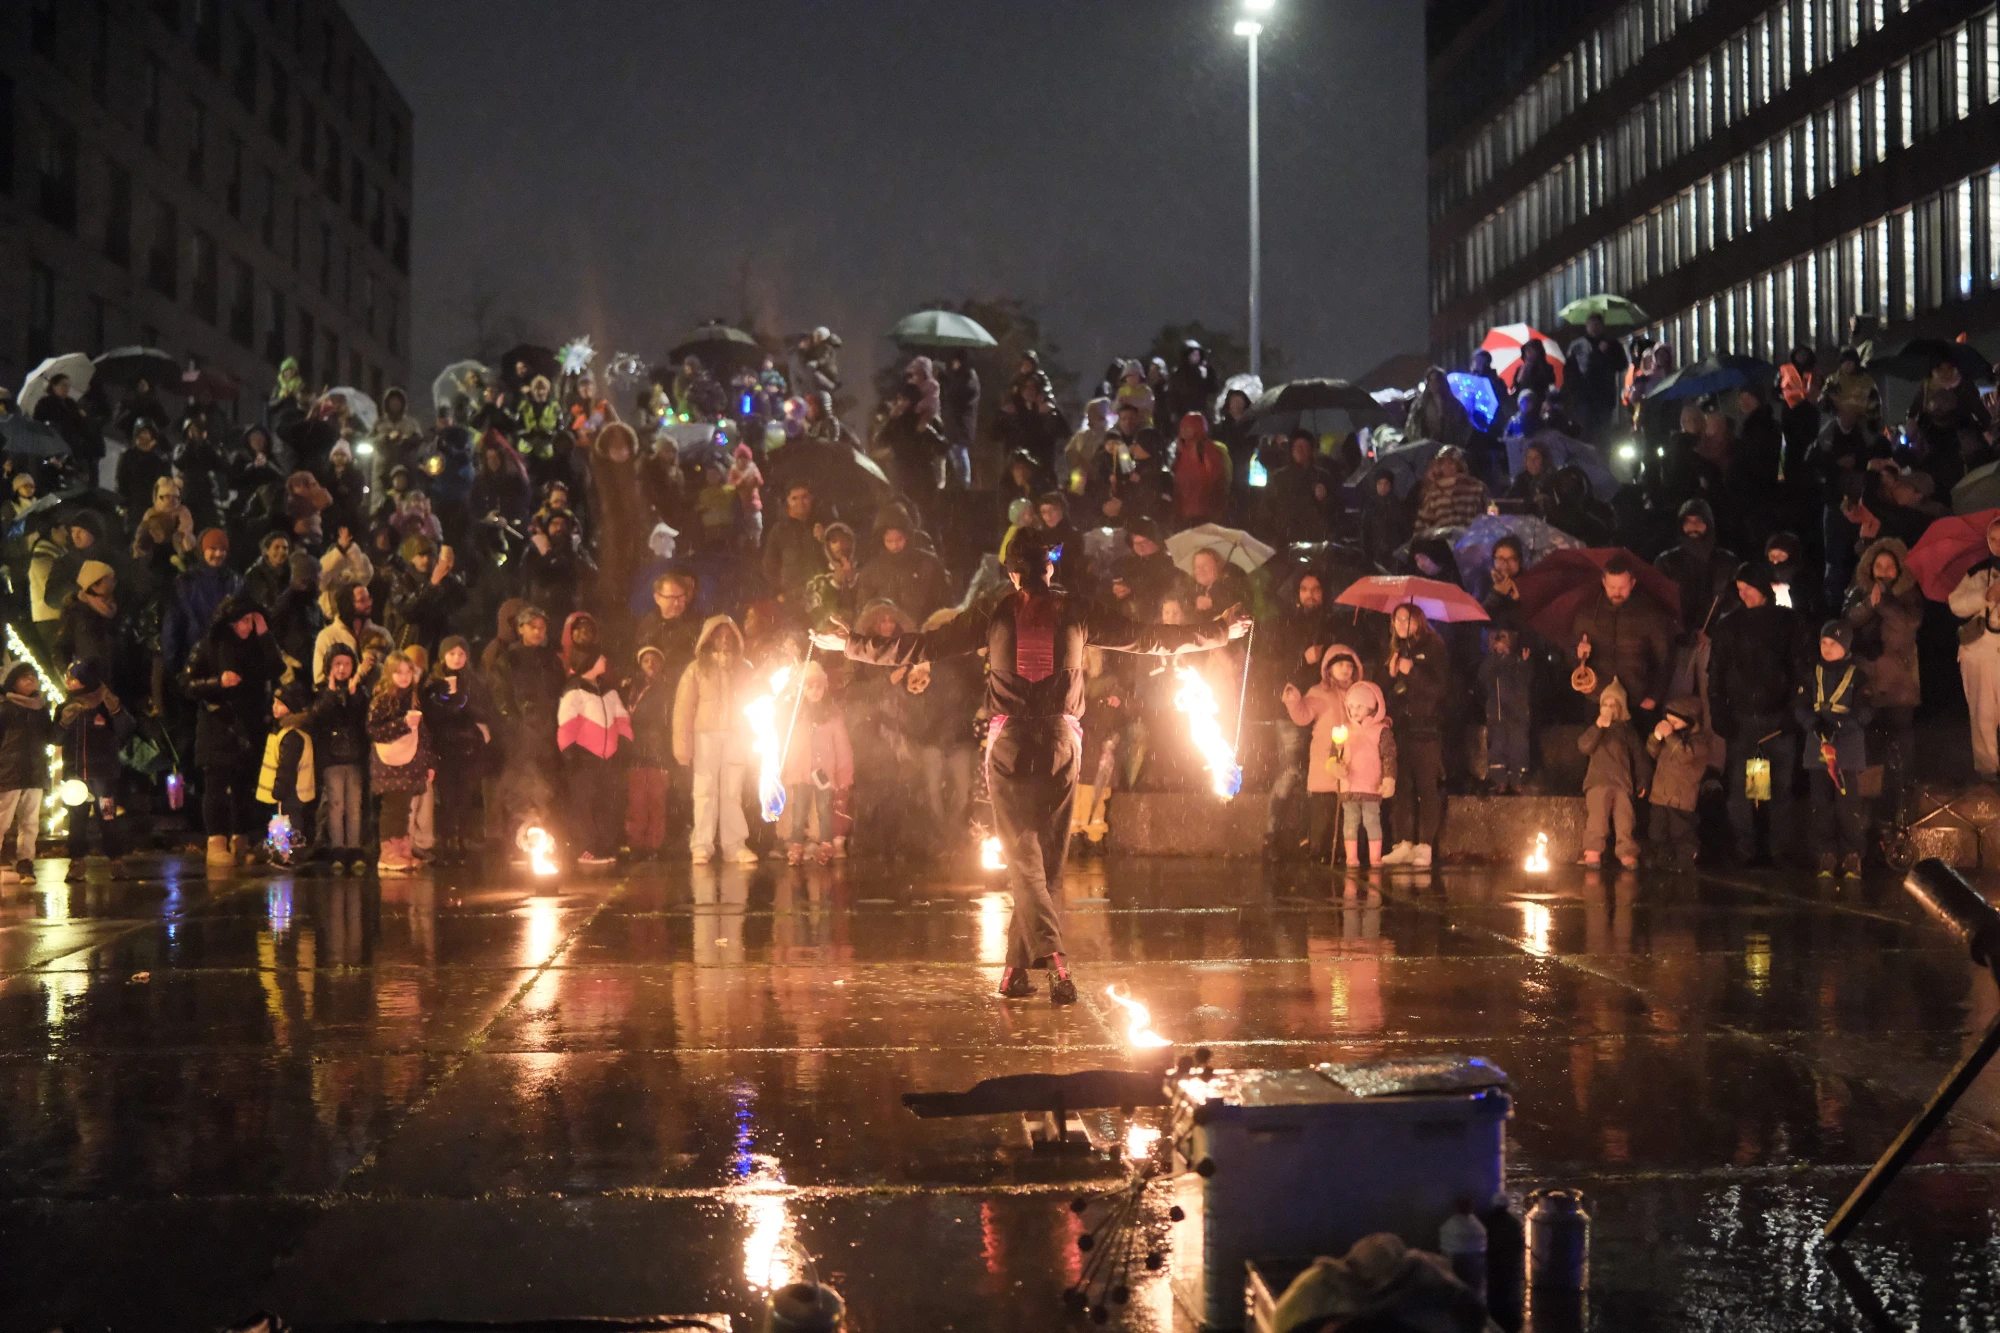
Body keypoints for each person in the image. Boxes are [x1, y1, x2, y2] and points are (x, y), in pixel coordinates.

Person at [814, 529, 1248, 1004]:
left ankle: (1055, 962)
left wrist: (850, 644)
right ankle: (1015, 971)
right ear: (1050, 568)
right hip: (1061, 743)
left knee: (1025, 856)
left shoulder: (995, 609)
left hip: (1014, 743)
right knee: (1045, 861)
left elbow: (922, 647)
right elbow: (1149, 639)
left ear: (1012, 571)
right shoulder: (1075, 609)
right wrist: (1219, 631)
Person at [1710, 564, 1806, 864]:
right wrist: (1719, 712)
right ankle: (1746, 848)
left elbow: (1800, 669)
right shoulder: (1729, 626)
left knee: (1779, 789)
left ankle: (1777, 849)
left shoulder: (1788, 623)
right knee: (1744, 790)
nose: (1742, 593)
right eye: (1739, 589)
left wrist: (1795, 711)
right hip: (1743, 721)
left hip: (1777, 720)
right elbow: (1717, 672)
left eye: (1747, 587)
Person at [181, 595, 282, 869]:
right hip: (218, 722)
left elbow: (276, 668)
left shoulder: (256, 647)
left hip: (248, 724)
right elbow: (187, 683)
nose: (248, 626)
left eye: (252, 620)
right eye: (244, 620)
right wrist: (217, 682)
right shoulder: (210, 646)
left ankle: (240, 839)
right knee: (215, 783)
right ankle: (216, 841)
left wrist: (265, 635)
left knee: (243, 786)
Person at [1843, 537, 1921, 821]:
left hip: (1900, 687)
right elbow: (1846, 622)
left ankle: (1899, 815)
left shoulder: (1909, 594)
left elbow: (1908, 623)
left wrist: (1883, 603)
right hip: (1867, 684)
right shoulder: (1857, 592)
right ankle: (1868, 818)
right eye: (1879, 565)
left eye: (1890, 566)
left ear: (1899, 569)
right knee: (1868, 753)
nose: (1884, 571)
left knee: (1900, 753)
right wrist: (1868, 604)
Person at [674, 615, 759, 866]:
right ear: (709, 638)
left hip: (736, 734)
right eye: (718, 636)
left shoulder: (744, 669)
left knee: (732, 791)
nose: (723, 641)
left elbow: (756, 701)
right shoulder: (697, 668)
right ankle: (701, 845)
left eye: (728, 636)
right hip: (705, 735)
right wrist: (682, 745)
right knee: (704, 790)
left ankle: (734, 845)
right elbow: (684, 708)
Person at [1797, 621, 1871, 879]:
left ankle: (1852, 856)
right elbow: (1801, 706)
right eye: (1824, 643)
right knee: (1821, 805)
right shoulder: (1810, 673)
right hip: (1818, 747)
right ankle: (1825, 854)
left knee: (1847, 805)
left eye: (1834, 644)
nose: (1827, 649)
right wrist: (1814, 725)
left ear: (1846, 647)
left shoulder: (1858, 676)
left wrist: (1839, 725)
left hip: (1846, 750)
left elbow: (1865, 712)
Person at [1281, 644, 1365, 863]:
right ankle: (1319, 852)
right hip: (1323, 766)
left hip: (1352, 764)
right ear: (1328, 669)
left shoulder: (1360, 693)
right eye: (1340, 665)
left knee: (1349, 814)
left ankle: (1345, 854)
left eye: (1349, 665)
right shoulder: (1319, 693)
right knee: (1323, 814)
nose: (1345, 670)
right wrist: (1293, 701)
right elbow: (1302, 716)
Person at [1380, 603, 1449, 867]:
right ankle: (1403, 842)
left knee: (1426, 788)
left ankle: (1425, 844)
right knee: (1402, 788)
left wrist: (1414, 672)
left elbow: (1439, 689)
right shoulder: (1394, 650)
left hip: (1427, 729)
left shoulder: (1434, 648)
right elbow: (1382, 687)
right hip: (1400, 728)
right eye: (1396, 619)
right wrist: (1390, 673)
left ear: (1419, 621)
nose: (1401, 624)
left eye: (1406, 619)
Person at [56, 659, 135, 876]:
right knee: (76, 820)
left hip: (103, 776)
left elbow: (126, 730)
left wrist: (116, 710)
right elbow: (55, 737)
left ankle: (116, 860)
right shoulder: (65, 706)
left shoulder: (105, 704)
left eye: (73, 677)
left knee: (108, 817)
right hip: (75, 777)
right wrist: (63, 722)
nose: (68, 681)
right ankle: (76, 861)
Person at [1568, 557, 1674, 716]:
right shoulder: (1587, 613)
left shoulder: (1649, 614)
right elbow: (1569, 652)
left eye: (1622, 587)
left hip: (1637, 701)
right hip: (1598, 698)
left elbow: (1664, 658)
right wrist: (1578, 656)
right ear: (1603, 582)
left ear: (1632, 583)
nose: (1617, 592)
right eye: (1612, 586)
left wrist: (1654, 696)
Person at [557, 641, 629, 868]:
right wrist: (570, 754)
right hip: (584, 758)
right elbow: (567, 724)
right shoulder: (574, 691)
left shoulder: (609, 690)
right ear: (589, 662)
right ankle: (586, 848)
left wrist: (625, 743)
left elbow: (622, 718)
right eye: (600, 658)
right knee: (584, 806)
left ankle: (606, 845)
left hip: (608, 759)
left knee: (608, 803)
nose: (605, 661)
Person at [423, 636, 491, 865]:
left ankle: (463, 840)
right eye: (452, 654)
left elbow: (481, 711)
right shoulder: (432, 682)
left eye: (461, 654)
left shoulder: (473, 682)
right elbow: (432, 715)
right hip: (444, 747)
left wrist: (467, 705)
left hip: (467, 747)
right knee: (447, 797)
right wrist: (445, 697)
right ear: (443, 656)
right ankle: (447, 841)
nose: (457, 658)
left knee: (465, 796)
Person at [780, 660, 853, 865]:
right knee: (799, 810)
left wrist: (843, 774)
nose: (814, 691)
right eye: (809, 686)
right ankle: (795, 844)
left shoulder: (831, 715)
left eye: (818, 686)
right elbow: (787, 745)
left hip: (823, 773)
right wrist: (785, 769)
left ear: (825, 688)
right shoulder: (795, 715)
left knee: (824, 810)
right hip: (802, 772)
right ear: (802, 688)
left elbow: (842, 747)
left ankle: (826, 844)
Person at [368, 649, 434, 874]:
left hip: (410, 763)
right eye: (399, 672)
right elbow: (374, 731)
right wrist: (402, 724)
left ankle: (403, 849)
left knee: (404, 807)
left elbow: (423, 735)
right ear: (389, 674)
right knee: (392, 808)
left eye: (408, 672)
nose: (404, 677)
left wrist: (429, 763)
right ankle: (388, 853)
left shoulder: (413, 699)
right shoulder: (383, 701)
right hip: (390, 763)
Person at [1947, 515, 2000, 780]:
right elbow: (1956, 604)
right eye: (1993, 539)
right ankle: (1988, 771)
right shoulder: (1978, 571)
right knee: (1983, 715)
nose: (1998, 545)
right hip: (1979, 653)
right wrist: (1986, 596)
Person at [310, 642, 371, 873]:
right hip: (331, 757)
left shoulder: (360, 691)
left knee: (354, 804)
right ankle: (337, 848)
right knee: (336, 805)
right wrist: (331, 694)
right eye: (337, 664)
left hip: (354, 756)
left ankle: (354, 848)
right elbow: (317, 717)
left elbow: (362, 720)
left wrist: (354, 695)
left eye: (346, 664)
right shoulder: (319, 691)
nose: (342, 669)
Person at [1577, 680, 1648, 869]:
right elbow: (1584, 746)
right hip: (1598, 781)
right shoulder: (1596, 729)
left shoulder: (1627, 732)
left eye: (1613, 705)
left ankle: (1627, 853)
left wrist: (1642, 782)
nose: (1608, 708)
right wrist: (1598, 727)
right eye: (1605, 704)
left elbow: (1639, 758)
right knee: (1598, 820)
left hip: (1622, 783)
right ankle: (1592, 851)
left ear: (1621, 708)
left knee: (1625, 821)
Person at [0, 663, 61, 878]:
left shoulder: (40, 709)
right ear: (13, 682)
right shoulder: (5, 708)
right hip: (9, 772)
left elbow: (51, 736)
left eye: (33, 676)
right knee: (2, 820)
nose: (30, 680)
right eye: (24, 677)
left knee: (30, 821)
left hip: (35, 772)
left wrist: (62, 723)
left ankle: (25, 861)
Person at [1332, 680, 1395, 869]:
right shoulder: (1344, 731)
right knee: (1350, 822)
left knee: (1372, 821)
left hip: (1371, 786)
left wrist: (1389, 778)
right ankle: (1352, 857)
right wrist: (1335, 766)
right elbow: (1334, 755)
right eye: (1351, 706)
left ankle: (1375, 856)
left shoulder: (1381, 731)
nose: (1354, 710)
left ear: (1371, 706)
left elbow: (1388, 757)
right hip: (1349, 785)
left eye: (1359, 706)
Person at [1652, 499, 1737, 635]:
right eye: (1687, 521)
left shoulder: (1727, 562)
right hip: (1678, 639)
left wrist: (1711, 633)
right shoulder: (1666, 562)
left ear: (1708, 523)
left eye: (1698, 520)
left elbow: (1735, 603)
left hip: (1718, 640)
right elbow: (1658, 604)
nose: (1693, 526)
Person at [255, 680, 317, 867]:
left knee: (290, 824)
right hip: (291, 791)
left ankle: (289, 855)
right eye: (274, 703)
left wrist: (280, 789)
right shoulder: (285, 732)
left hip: (291, 791)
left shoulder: (291, 736)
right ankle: (285, 853)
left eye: (280, 704)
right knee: (289, 823)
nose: (275, 708)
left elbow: (287, 767)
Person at [623, 645, 676, 860]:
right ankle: (636, 844)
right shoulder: (631, 688)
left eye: (655, 660)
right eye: (646, 661)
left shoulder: (667, 689)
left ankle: (654, 844)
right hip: (636, 750)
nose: (651, 665)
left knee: (656, 800)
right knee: (636, 800)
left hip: (658, 751)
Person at [1645, 696, 1709, 870]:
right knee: (1657, 831)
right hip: (1660, 794)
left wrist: (1669, 735)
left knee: (1680, 830)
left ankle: (1686, 860)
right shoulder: (1672, 738)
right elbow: (1653, 752)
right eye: (1668, 721)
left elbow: (1685, 756)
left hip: (1681, 796)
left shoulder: (1699, 741)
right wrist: (1656, 737)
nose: (1670, 725)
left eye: (1675, 722)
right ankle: (1661, 859)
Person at [854, 512, 952, 624]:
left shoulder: (928, 564)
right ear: (882, 540)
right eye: (889, 541)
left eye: (899, 539)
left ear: (907, 536)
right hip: (887, 635)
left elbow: (944, 603)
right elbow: (863, 611)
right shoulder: (871, 571)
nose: (895, 545)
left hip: (924, 634)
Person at [1479, 626, 1533, 793]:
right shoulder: (1490, 663)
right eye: (1496, 639)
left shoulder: (1519, 661)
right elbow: (1483, 678)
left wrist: (1524, 663)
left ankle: (1517, 780)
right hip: (1497, 713)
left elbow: (1527, 680)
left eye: (1503, 638)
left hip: (1517, 714)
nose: (1499, 642)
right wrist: (1495, 658)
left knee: (1519, 747)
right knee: (1498, 747)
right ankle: (1499, 781)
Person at [1564, 314, 1629, 442]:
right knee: (1586, 434)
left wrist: (1607, 355)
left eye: (1597, 324)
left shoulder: (1612, 344)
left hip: (1604, 397)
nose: (1594, 327)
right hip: (1584, 397)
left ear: (1602, 326)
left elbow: (1622, 364)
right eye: (1591, 324)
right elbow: (1570, 371)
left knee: (1603, 435)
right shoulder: (1578, 346)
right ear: (1586, 326)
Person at [762, 482, 827, 607]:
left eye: (804, 497)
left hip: (822, 597)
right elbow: (769, 566)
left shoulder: (824, 524)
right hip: (791, 599)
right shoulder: (779, 531)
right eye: (794, 498)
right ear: (787, 501)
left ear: (812, 499)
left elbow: (837, 556)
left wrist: (825, 540)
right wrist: (779, 592)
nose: (800, 502)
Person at [1171, 412, 1231, 528]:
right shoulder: (1182, 449)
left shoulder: (1207, 449)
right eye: (1182, 427)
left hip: (1202, 511)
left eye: (1188, 427)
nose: (1183, 430)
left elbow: (1215, 476)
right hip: (1185, 510)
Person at [1413, 445, 1489, 532]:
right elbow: (1421, 526)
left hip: (1470, 541)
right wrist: (1437, 534)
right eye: (1443, 463)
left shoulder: (1476, 488)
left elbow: (1486, 518)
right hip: (1442, 543)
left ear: (1459, 465)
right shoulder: (1434, 492)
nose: (1447, 466)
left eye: (1451, 463)